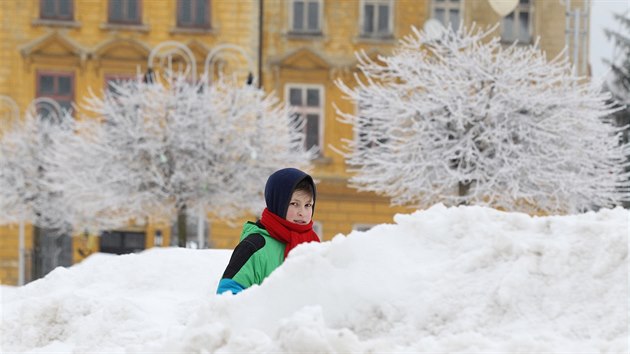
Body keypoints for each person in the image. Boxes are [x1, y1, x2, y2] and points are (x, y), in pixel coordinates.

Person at [216, 167, 320, 295]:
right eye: (294, 204)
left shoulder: (313, 244)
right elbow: (227, 294)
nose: (302, 213)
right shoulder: (255, 245)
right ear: (278, 203)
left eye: (308, 205)